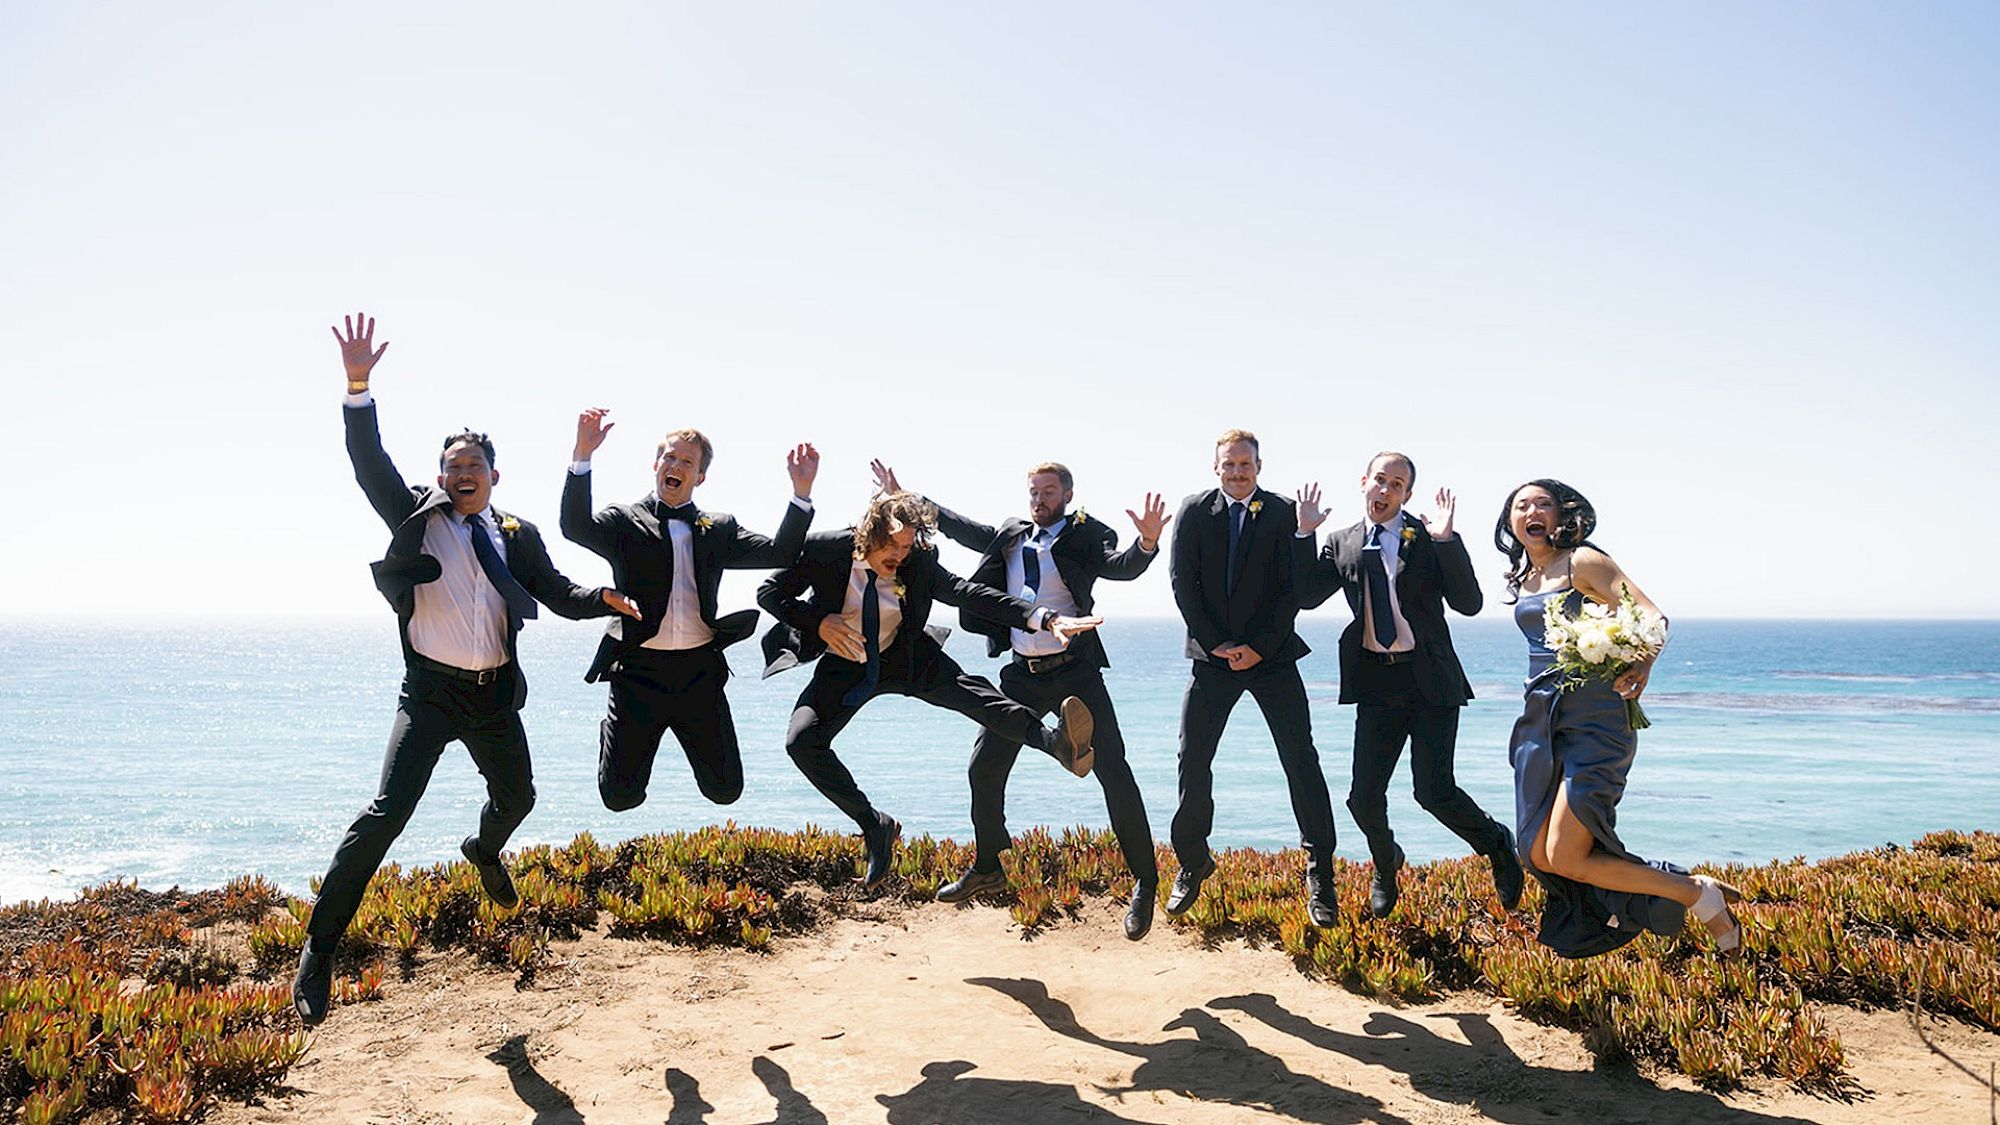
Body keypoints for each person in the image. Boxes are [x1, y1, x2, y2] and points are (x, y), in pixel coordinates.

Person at [295, 314, 639, 1025]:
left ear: (493, 477)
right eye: (452, 467)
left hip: (491, 698)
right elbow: (368, 462)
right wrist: (358, 387)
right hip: (428, 695)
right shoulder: (416, 518)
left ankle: (483, 850)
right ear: (440, 477)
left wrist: (600, 598)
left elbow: (556, 592)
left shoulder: (516, 534)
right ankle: (320, 948)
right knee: (384, 815)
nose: (461, 475)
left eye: (473, 467)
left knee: (519, 800)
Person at [872, 459, 1169, 939]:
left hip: (1075, 673)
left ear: (1067, 495)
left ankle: (1146, 882)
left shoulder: (1086, 534)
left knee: (1113, 772)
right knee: (984, 768)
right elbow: (958, 527)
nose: (1039, 499)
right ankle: (989, 865)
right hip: (1022, 674)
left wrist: (1147, 544)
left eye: (1048, 491)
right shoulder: (1011, 535)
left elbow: (1121, 566)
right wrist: (905, 498)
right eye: (1034, 491)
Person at [757, 490, 1103, 890]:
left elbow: (967, 593)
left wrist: (1043, 618)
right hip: (845, 663)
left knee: (975, 695)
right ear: (870, 531)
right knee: (802, 742)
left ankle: (1056, 743)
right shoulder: (827, 549)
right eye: (892, 545)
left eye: (907, 546)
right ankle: (875, 826)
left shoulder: (917, 561)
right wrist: (817, 623)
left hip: (905, 657)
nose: (899, 555)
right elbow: (769, 592)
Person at [1497, 478, 1741, 958]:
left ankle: (1696, 895)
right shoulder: (1524, 578)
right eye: (1521, 505)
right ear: (1510, 520)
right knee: (1539, 854)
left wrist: (1642, 664)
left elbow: (1652, 617)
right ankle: (1687, 888)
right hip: (1541, 720)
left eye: (1543, 503)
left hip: (1597, 718)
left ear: (1562, 515)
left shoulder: (1584, 561)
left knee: (1566, 853)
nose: (1532, 512)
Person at [1295, 453, 1523, 917]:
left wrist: (1446, 541)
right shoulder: (1340, 542)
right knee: (1363, 799)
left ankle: (1497, 844)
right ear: (1364, 481)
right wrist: (1304, 534)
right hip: (1377, 683)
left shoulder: (1427, 537)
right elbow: (1306, 596)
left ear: (1407, 494)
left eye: (1396, 485)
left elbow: (1469, 603)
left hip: (1430, 680)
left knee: (1433, 792)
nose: (1385, 490)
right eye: (1380, 480)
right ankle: (1386, 863)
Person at [562, 408, 817, 813]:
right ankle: (613, 732)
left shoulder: (718, 528)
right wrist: (582, 456)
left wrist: (800, 493)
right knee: (620, 798)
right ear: (655, 465)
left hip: (698, 673)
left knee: (725, 790)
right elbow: (575, 527)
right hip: (639, 673)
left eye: (687, 462)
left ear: (699, 477)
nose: (676, 466)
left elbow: (780, 553)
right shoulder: (625, 521)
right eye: (669, 457)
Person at [1166, 429, 1341, 926]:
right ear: (1216, 467)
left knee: (1300, 759)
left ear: (1259, 467)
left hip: (1273, 656)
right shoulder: (1193, 510)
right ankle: (1193, 861)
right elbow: (1182, 584)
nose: (1237, 472)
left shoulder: (1285, 512)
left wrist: (1259, 647)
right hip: (1212, 657)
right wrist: (1216, 644)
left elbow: (1293, 591)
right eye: (1229, 464)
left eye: (1245, 464)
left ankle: (1320, 872)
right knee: (1192, 757)